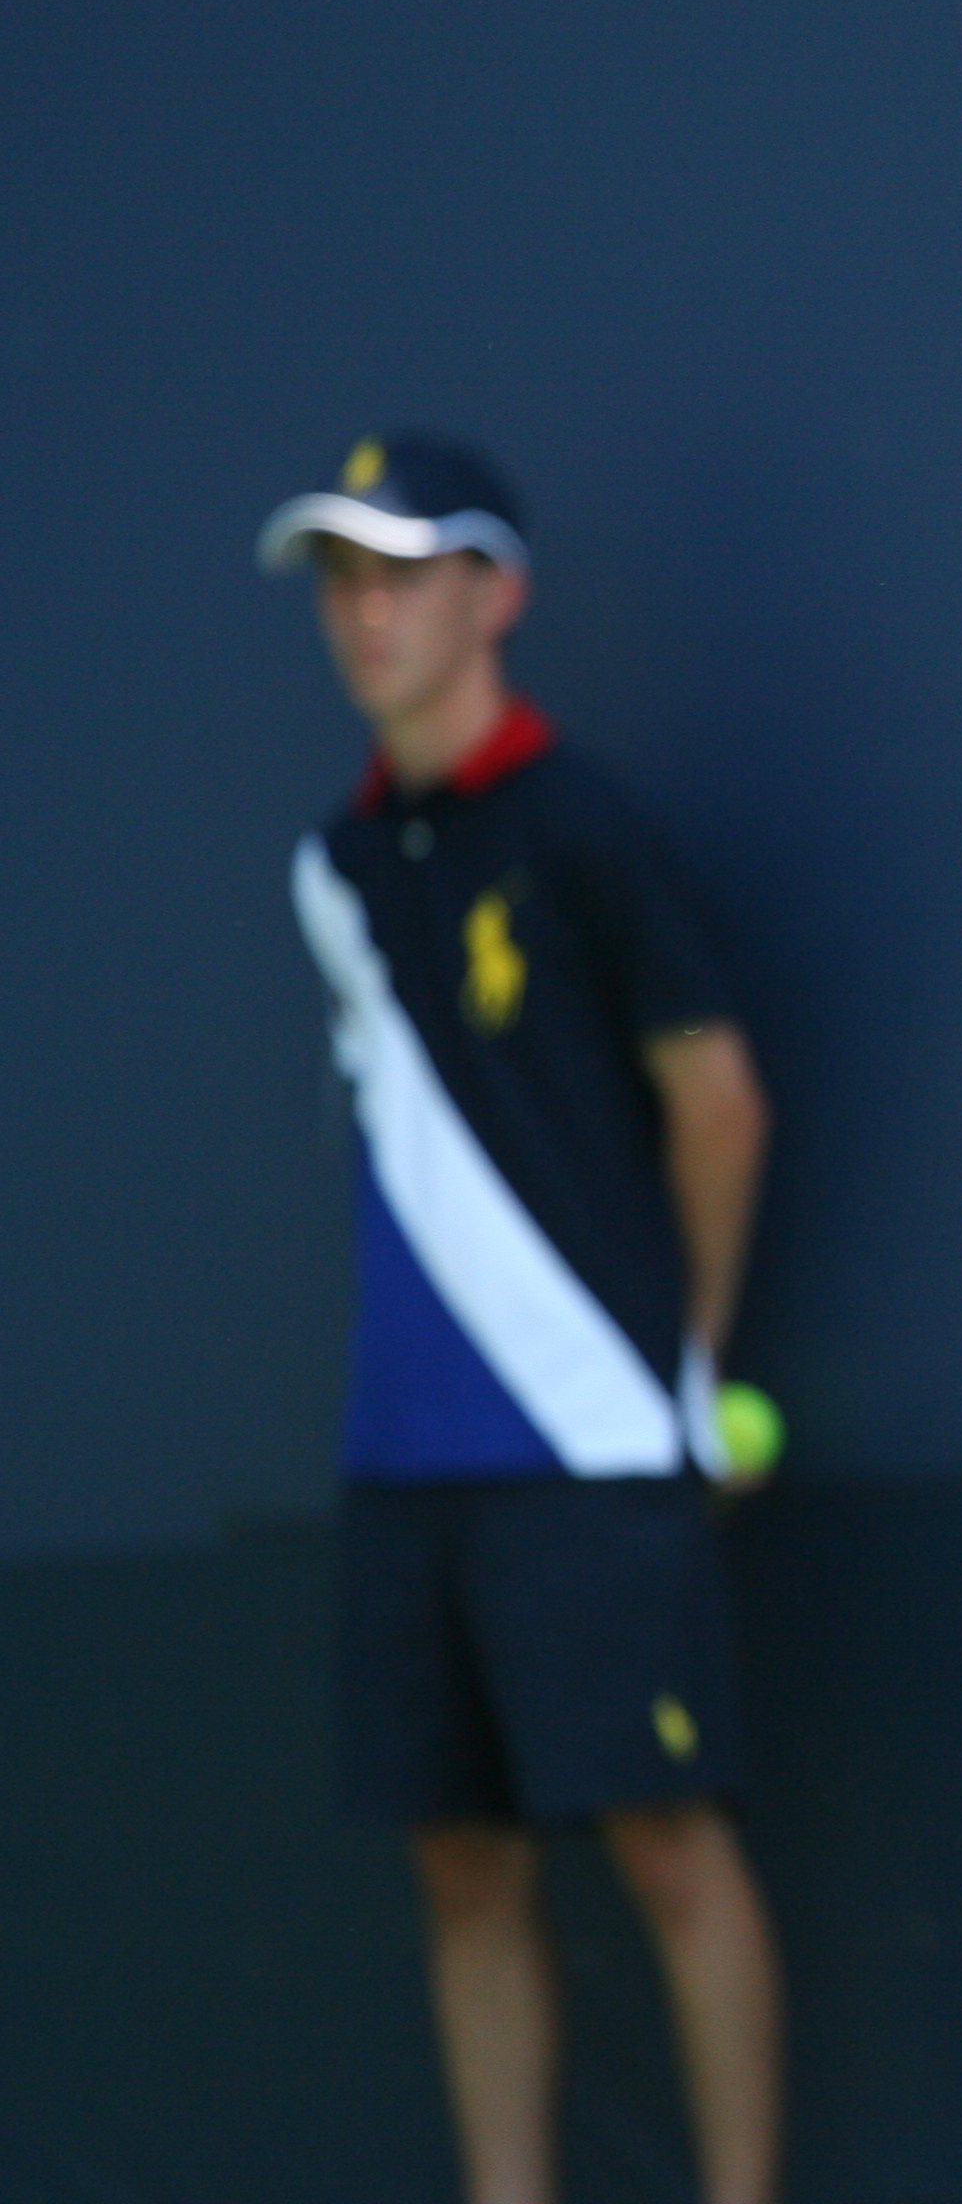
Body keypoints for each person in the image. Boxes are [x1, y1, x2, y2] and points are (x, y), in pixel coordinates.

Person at [266, 433, 786, 2204]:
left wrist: (686, 1365)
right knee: (461, 1868)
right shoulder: (333, 872)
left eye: (401, 574)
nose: (365, 615)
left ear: (495, 595)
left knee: (666, 1845)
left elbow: (718, 1101)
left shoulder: (581, 830)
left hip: (592, 1437)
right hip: (404, 1457)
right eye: (341, 581)